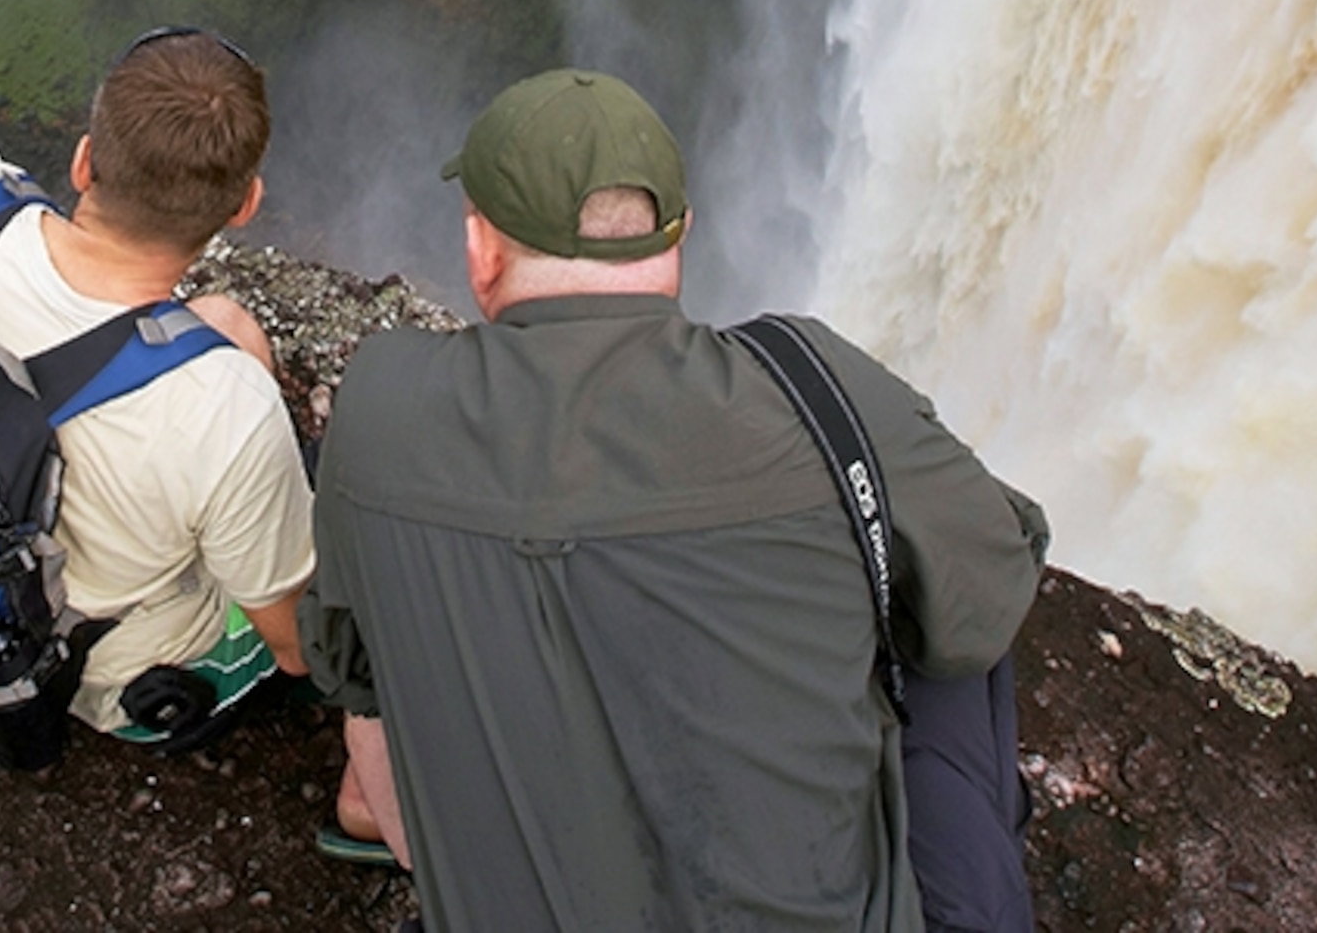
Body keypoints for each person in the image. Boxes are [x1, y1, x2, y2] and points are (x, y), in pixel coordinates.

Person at [304, 69, 1047, 933]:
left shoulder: (383, 406)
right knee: (941, 611)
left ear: (482, 246)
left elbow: (355, 673)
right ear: (680, 233)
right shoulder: (813, 389)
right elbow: (991, 582)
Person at [0, 27, 314, 743]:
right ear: (246, 206)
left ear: (83, 163)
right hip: (86, 673)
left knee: (226, 322)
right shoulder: (228, 410)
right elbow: (297, 642)